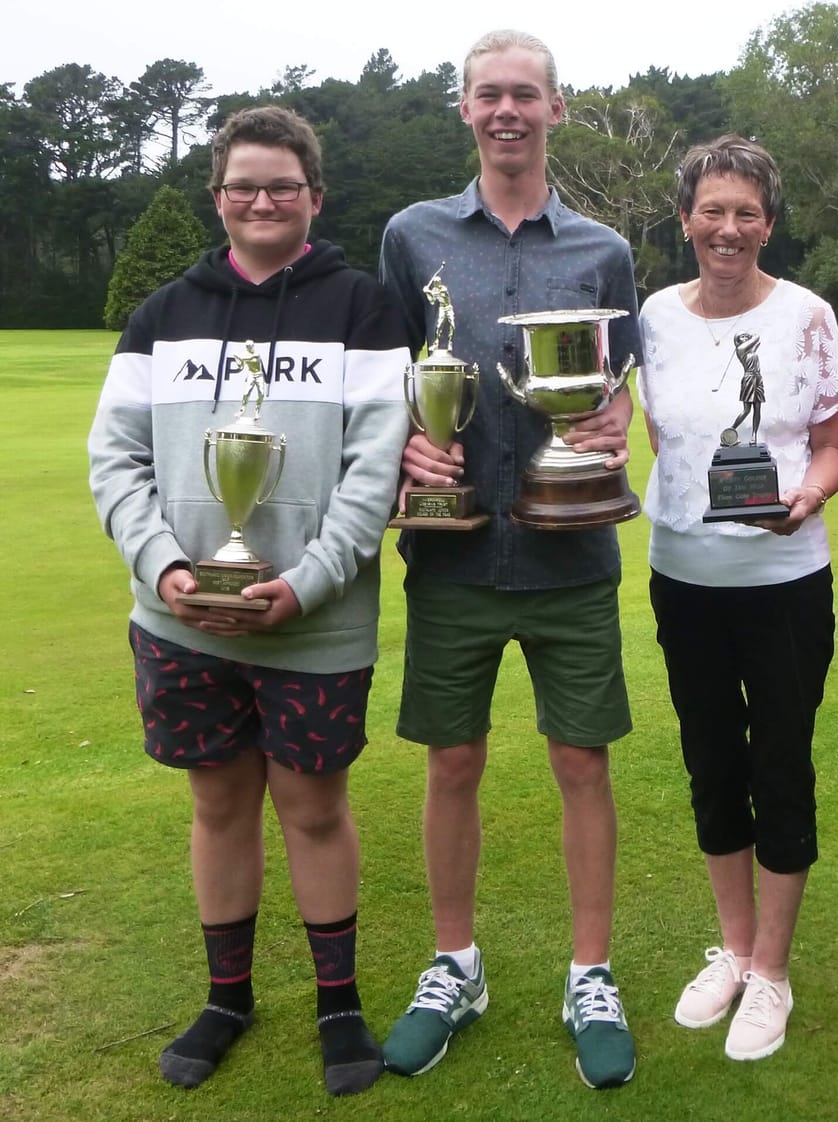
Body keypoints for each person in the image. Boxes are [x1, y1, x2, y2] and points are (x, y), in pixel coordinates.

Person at [88, 106, 410, 1094]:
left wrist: (305, 583)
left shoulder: (364, 307)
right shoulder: (162, 313)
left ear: (314, 197)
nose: (260, 201)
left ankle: (338, 1006)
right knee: (218, 802)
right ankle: (228, 996)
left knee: (314, 809)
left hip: (315, 623)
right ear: (218, 198)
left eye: (280, 186)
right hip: (181, 618)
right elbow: (115, 456)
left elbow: (376, 466)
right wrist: (164, 569)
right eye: (241, 186)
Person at [377, 29, 641, 1090]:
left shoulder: (604, 250)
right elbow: (387, 375)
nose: (507, 112)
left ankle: (591, 973)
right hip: (455, 554)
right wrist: (407, 435)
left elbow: (616, 388)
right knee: (453, 761)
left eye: (525, 95)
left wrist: (615, 425)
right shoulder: (411, 237)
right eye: (489, 95)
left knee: (582, 763)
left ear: (556, 110)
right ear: (464, 109)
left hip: (570, 556)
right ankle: (456, 965)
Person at [638, 135, 838, 1062]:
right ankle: (728, 948)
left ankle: (772, 970)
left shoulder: (807, 315)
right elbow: (651, 436)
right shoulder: (650, 316)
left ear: (769, 222)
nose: (730, 229)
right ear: (685, 218)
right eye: (712, 211)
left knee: (782, 767)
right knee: (711, 761)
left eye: (747, 213)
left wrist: (806, 495)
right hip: (684, 582)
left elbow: (836, 443)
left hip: (784, 584)